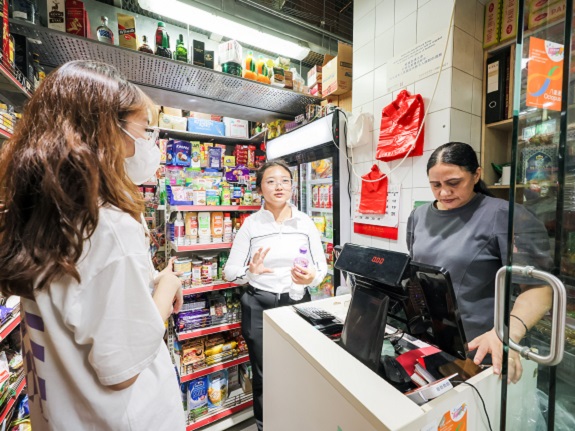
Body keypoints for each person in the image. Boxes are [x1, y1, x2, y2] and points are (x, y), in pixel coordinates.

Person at [0, 61, 186, 430]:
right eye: (142, 131)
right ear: (105, 132)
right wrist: (167, 286)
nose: (146, 146)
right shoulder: (107, 227)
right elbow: (122, 369)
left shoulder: (43, 214)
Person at [407, 142, 553, 384]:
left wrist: (506, 334)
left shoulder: (506, 216)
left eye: (454, 183)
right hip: (430, 341)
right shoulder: (419, 216)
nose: (444, 193)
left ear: (476, 175)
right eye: (436, 185)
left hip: (482, 347)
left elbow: (540, 288)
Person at [224, 160, 327, 431]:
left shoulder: (305, 222)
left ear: (292, 186)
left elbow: (321, 267)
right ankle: (265, 425)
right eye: (271, 181)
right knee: (263, 371)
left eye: (285, 180)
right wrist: (249, 270)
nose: (279, 186)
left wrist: (311, 278)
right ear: (260, 189)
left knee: (297, 367)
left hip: (296, 303)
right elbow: (229, 271)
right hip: (259, 304)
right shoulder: (251, 225)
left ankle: (297, 422)